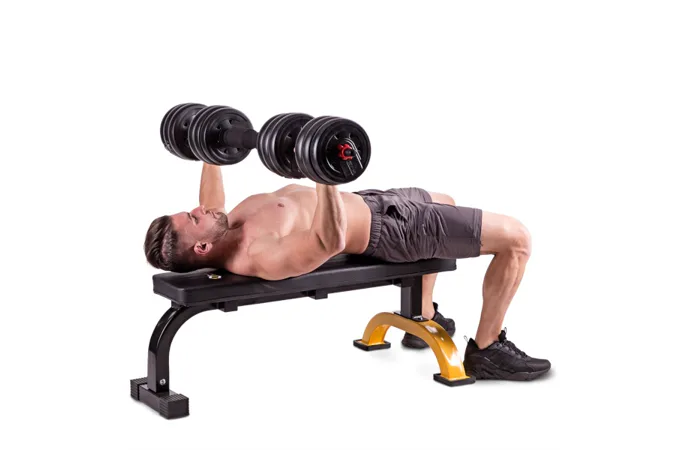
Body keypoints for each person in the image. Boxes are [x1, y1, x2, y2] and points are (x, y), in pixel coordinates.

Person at [144, 163, 551, 381]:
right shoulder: (258, 254)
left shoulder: (222, 227)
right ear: (203, 248)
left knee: (444, 199)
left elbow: (211, 201)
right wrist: (322, 176)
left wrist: (209, 150)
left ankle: (422, 316)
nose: (199, 209)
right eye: (193, 218)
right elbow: (328, 241)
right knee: (517, 239)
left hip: (373, 202)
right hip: (395, 229)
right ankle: (487, 349)